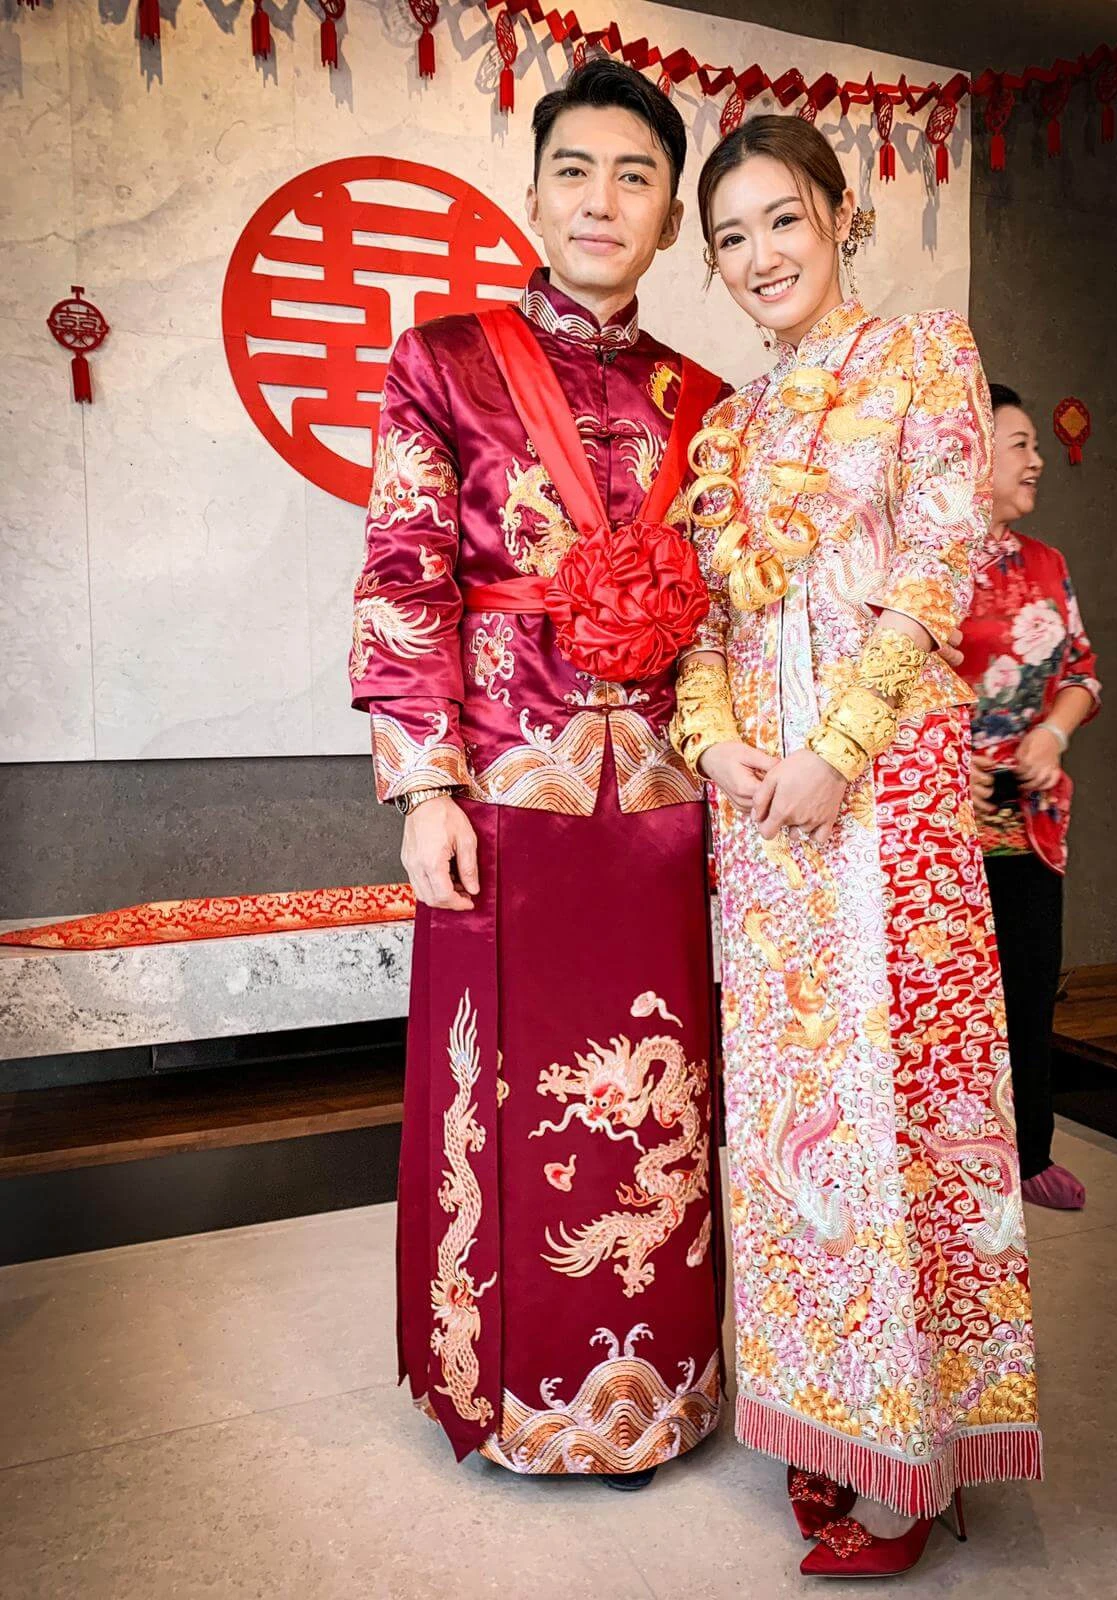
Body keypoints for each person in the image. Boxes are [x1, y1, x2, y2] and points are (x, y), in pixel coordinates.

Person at [670, 116, 1042, 1577]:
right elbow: (703, 622)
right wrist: (720, 747)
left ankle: (917, 1451)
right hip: (764, 820)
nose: (762, 255)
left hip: (888, 801)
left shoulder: (924, 356)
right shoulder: (726, 428)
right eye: (733, 237)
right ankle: (832, 1417)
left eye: (784, 219)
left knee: (901, 1113)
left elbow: (942, 561)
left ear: (840, 215)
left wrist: (838, 749)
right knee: (792, 1130)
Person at [349, 61, 727, 1487]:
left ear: (671, 215)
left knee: (664, 1108)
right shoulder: (444, 359)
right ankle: (505, 1396)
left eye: (637, 177)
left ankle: (663, 1389)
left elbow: (732, 618)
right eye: (577, 170)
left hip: (672, 814)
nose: (602, 201)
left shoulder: (712, 401)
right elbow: (405, 576)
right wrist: (423, 784)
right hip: (505, 795)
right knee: (498, 1101)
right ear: (534, 193)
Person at [960, 386, 1101, 1211]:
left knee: (1028, 985)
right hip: (941, 819)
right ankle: (952, 1162)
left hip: (1032, 818)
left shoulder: (1046, 562)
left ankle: (1030, 1152)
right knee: (949, 1003)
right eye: (1018, 444)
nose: (1037, 459)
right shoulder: (920, 565)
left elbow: (1081, 672)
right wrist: (945, 757)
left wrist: (1053, 732)